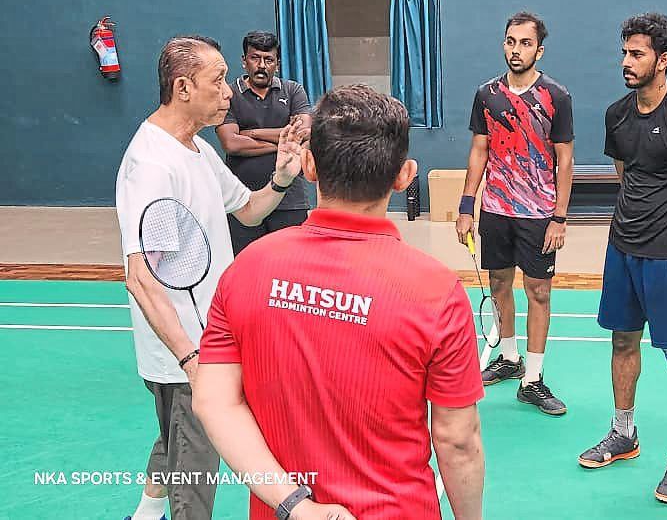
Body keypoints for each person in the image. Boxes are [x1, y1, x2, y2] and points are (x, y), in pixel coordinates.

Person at [194, 85, 486, 520]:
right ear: (405, 175)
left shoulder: (245, 269)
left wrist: (295, 504)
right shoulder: (438, 292)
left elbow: (213, 402)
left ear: (309, 167)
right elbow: (457, 441)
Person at [116, 35, 305, 520]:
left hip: (211, 337)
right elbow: (141, 278)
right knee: (195, 471)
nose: (228, 92)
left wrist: (282, 176)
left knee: (175, 437)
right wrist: (191, 360)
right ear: (183, 87)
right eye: (218, 81)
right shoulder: (153, 166)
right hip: (185, 350)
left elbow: (248, 210)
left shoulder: (195, 150)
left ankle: (141, 514)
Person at [578, 13, 667, 505]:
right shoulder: (617, 115)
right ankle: (624, 433)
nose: (626, 61)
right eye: (625, 52)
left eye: (637, 54)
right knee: (622, 342)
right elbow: (628, 174)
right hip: (623, 248)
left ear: (663, 60)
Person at [456, 11, 574, 415]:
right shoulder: (486, 94)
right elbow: (479, 151)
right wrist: (466, 207)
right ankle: (509, 359)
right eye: (511, 41)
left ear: (538, 50)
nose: (516, 50)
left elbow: (565, 160)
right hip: (496, 209)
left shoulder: (556, 96)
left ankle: (534, 379)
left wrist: (559, 217)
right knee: (500, 285)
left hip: (539, 212)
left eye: (525, 43)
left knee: (538, 292)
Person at [217, 30, 313, 255]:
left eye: (268, 59)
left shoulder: (293, 90)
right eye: (255, 58)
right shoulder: (228, 94)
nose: (261, 65)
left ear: (277, 64)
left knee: (292, 266)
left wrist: (253, 133)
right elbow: (232, 143)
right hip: (242, 201)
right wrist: (283, 144)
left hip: (290, 201)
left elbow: (304, 133)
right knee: (246, 267)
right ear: (244, 61)